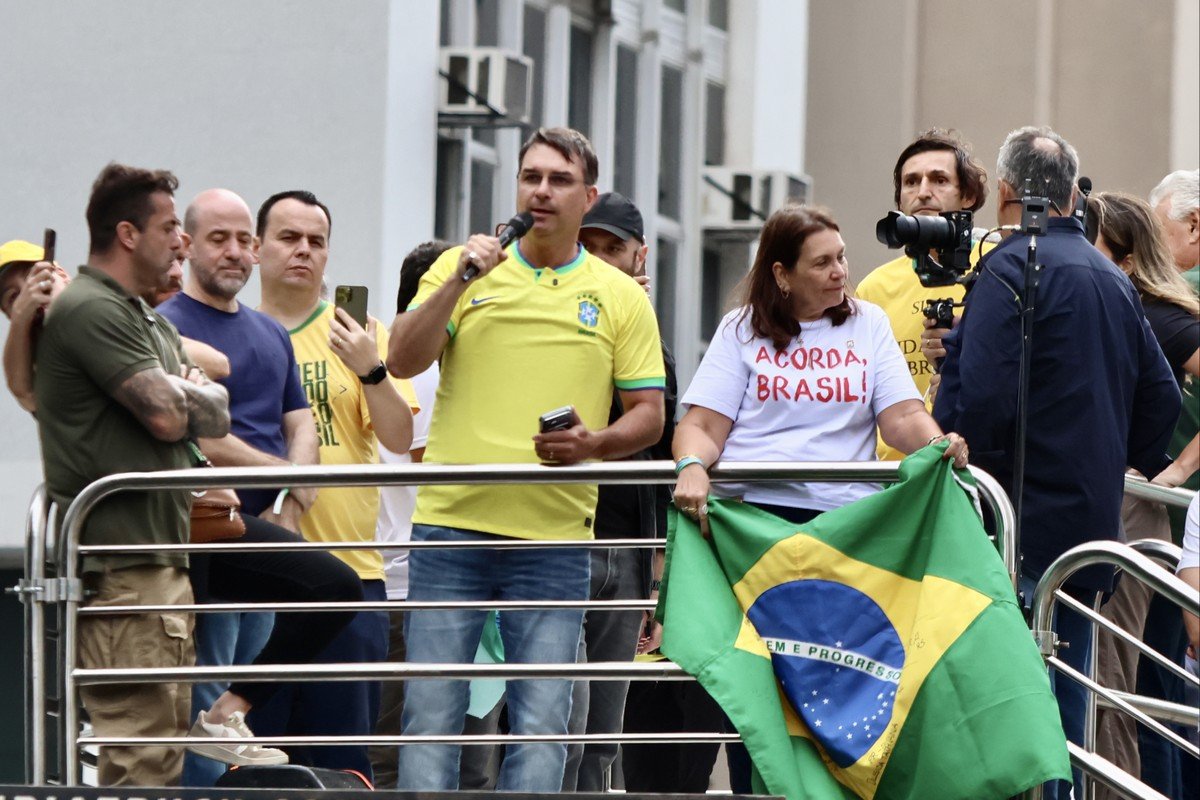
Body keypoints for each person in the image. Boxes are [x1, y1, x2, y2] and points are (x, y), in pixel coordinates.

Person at [387, 127, 666, 793]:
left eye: (559, 179)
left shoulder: (621, 294)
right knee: (431, 719)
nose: (541, 190)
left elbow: (650, 416)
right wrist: (459, 280)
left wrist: (593, 443)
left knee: (543, 727)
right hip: (452, 526)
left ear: (587, 196)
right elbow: (401, 359)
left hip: (555, 535)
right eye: (530, 176)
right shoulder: (459, 267)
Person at [933, 127, 1181, 800]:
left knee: (1005, 712)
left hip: (1012, 528)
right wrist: (1110, 457)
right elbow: (1160, 397)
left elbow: (978, 396)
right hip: (1092, 527)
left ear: (1006, 192)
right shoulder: (1111, 276)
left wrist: (961, 447)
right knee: (1067, 710)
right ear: (1075, 192)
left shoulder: (1011, 268)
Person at [33, 162, 231, 786]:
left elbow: (218, 412)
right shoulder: (91, 307)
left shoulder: (145, 317)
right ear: (127, 233)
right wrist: (186, 395)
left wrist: (191, 398)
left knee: (160, 761)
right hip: (122, 574)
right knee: (139, 767)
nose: (183, 241)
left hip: (155, 569)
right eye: (170, 226)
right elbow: (172, 418)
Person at [158, 188, 362, 782]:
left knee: (238, 722)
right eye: (217, 239)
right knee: (206, 695)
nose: (233, 252)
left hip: (261, 530)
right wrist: (286, 477)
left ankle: (228, 724)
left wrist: (290, 502)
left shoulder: (269, 333)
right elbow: (205, 439)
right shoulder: (167, 327)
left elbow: (301, 423)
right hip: (202, 532)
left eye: (242, 240)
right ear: (188, 245)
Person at [251, 189, 417, 779]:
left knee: (343, 767)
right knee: (256, 763)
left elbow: (400, 438)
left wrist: (371, 367)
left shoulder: (360, 331)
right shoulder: (235, 335)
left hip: (351, 574)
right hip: (259, 577)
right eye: (288, 238)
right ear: (255, 248)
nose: (303, 251)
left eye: (315, 241)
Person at [1082, 191, 1199, 792]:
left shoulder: (1155, 313)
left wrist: (1175, 469)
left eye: (1090, 240)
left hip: (1136, 511)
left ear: (1124, 260)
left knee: (1112, 686)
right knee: (1140, 690)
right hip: (1123, 510)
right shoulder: (1117, 305)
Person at [564, 192, 677, 792]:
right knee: (555, 724)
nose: (602, 260)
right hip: (560, 541)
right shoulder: (554, 324)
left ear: (640, 257)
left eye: (615, 249)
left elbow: (665, 464)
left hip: (628, 553)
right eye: (590, 247)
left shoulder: (654, 348)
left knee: (604, 734)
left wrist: (657, 581)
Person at [368, 238, 451, 789]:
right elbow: (430, 469)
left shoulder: (380, 351)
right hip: (407, 580)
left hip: (390, 573)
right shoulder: (421, 368)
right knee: (397, 749)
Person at [854, 128, 990, 459]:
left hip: (972, 465)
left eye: (939, 180)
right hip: (892, 472)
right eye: (911, 182)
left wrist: (962, 340)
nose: (923, 192)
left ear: (968, 196)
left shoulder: (993, 267)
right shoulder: (873, 287)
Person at [2, 239, 229, 410]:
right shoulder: (37, 360)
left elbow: (217, 363)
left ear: (62, 275)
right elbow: (24, 391)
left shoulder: (117, 312)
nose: (32, 295)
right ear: (12, 315)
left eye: (38, 278)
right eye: (15, 297)